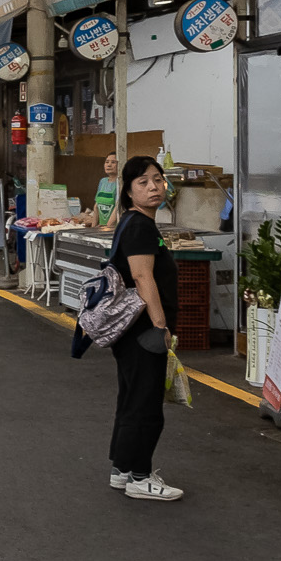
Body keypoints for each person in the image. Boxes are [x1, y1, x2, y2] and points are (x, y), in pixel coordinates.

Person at [97, 154, 184, 503]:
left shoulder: (135, 222)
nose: (153, 187)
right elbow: (142, 276)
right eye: (143, 182)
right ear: (129, 192)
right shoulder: (139, 226)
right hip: (144, 330)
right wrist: (161, 326)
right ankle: (140, 476)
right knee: (146, 403)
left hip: (132, 330)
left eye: (158, 180)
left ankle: (122, 469)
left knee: (132, 396)